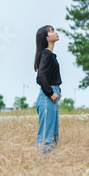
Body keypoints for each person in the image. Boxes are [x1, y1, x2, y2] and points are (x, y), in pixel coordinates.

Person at [34, 25, 62, 156]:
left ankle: (50, 170)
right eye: (51, 31)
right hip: (46, 98)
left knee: (52, 136)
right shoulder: (46, 53)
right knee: (47, 136)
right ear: (46, 38)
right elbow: (41, 76)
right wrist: (51, 93)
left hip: (51, 97)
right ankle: (42, 169)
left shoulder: (50, 54)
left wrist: (58, 90)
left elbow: (50, 76)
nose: (55, 33)